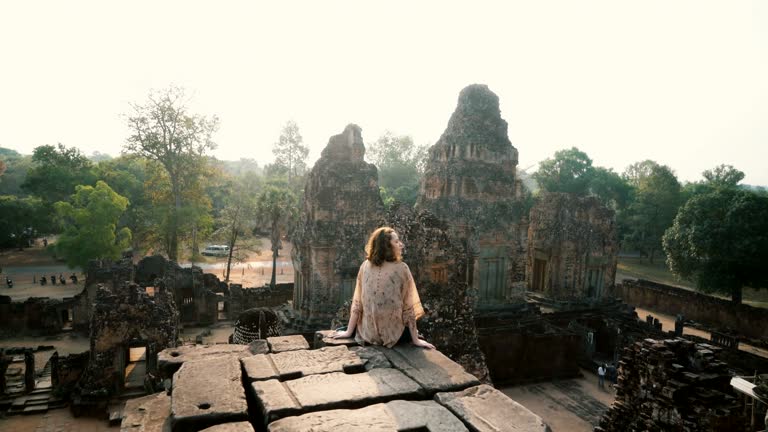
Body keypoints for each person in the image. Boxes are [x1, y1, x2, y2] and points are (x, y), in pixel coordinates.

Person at [332, 227, 435, 350]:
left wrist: (348, 332)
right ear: (387, 246)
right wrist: (416, 340)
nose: (401, 245)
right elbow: (408, 307)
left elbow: (357, 303)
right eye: (396, 242)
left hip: (368, 334)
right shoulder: (402, 268)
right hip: (393, 336)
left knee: (340, 329)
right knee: (414, 332)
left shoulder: (365, 266)